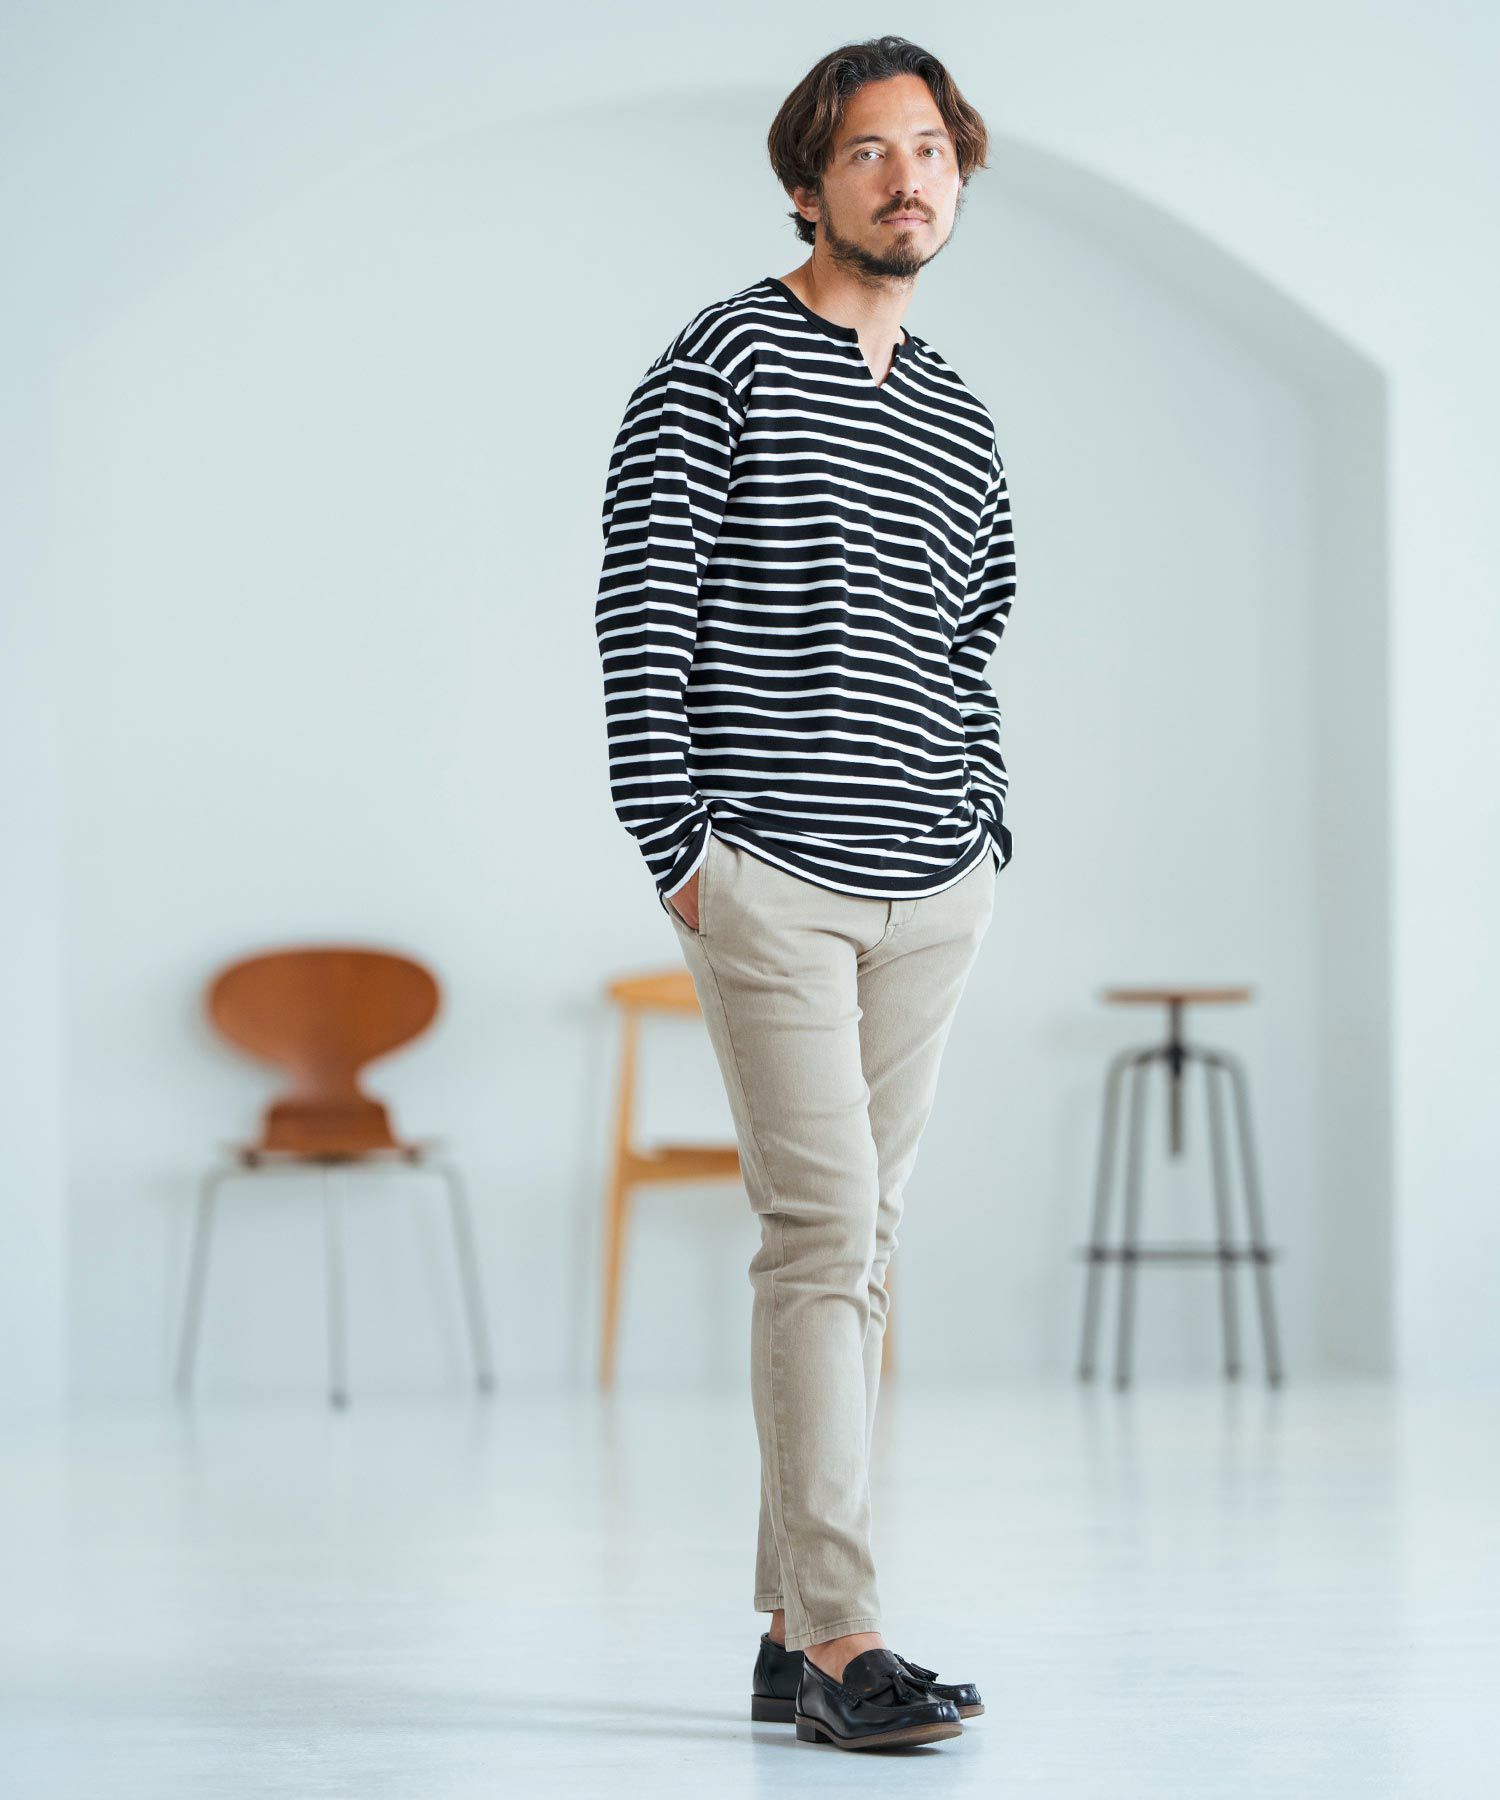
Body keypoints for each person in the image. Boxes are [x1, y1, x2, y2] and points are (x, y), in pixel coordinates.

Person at [593, 34, 1016, 1753]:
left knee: (858, 1243)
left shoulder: (958, 411)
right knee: (825, 1235)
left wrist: (986, 828)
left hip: (933, 883)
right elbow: (643, 607)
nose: (908, 180)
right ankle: (848, 1637)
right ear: (805, 183)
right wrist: (679, 851)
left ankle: (787, 1637)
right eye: (869, 153)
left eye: (931, 152)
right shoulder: (720, 362)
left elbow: (974, 638)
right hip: (768, 872)